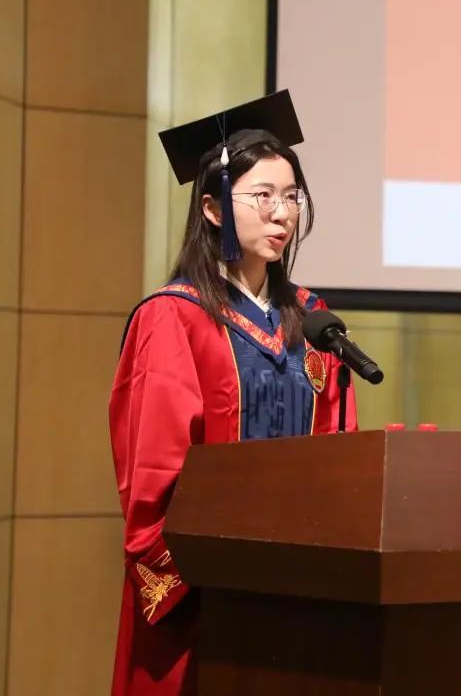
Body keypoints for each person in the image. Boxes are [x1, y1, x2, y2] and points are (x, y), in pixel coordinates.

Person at [107, 90, 357, 696]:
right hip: (207, 597)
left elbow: (339, 450)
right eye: (262, 196)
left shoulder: (311, 320)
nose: (282, 214)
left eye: (291, 197)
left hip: (300, 591)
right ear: (214, 208)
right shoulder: (174, 318)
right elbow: (155, 473)